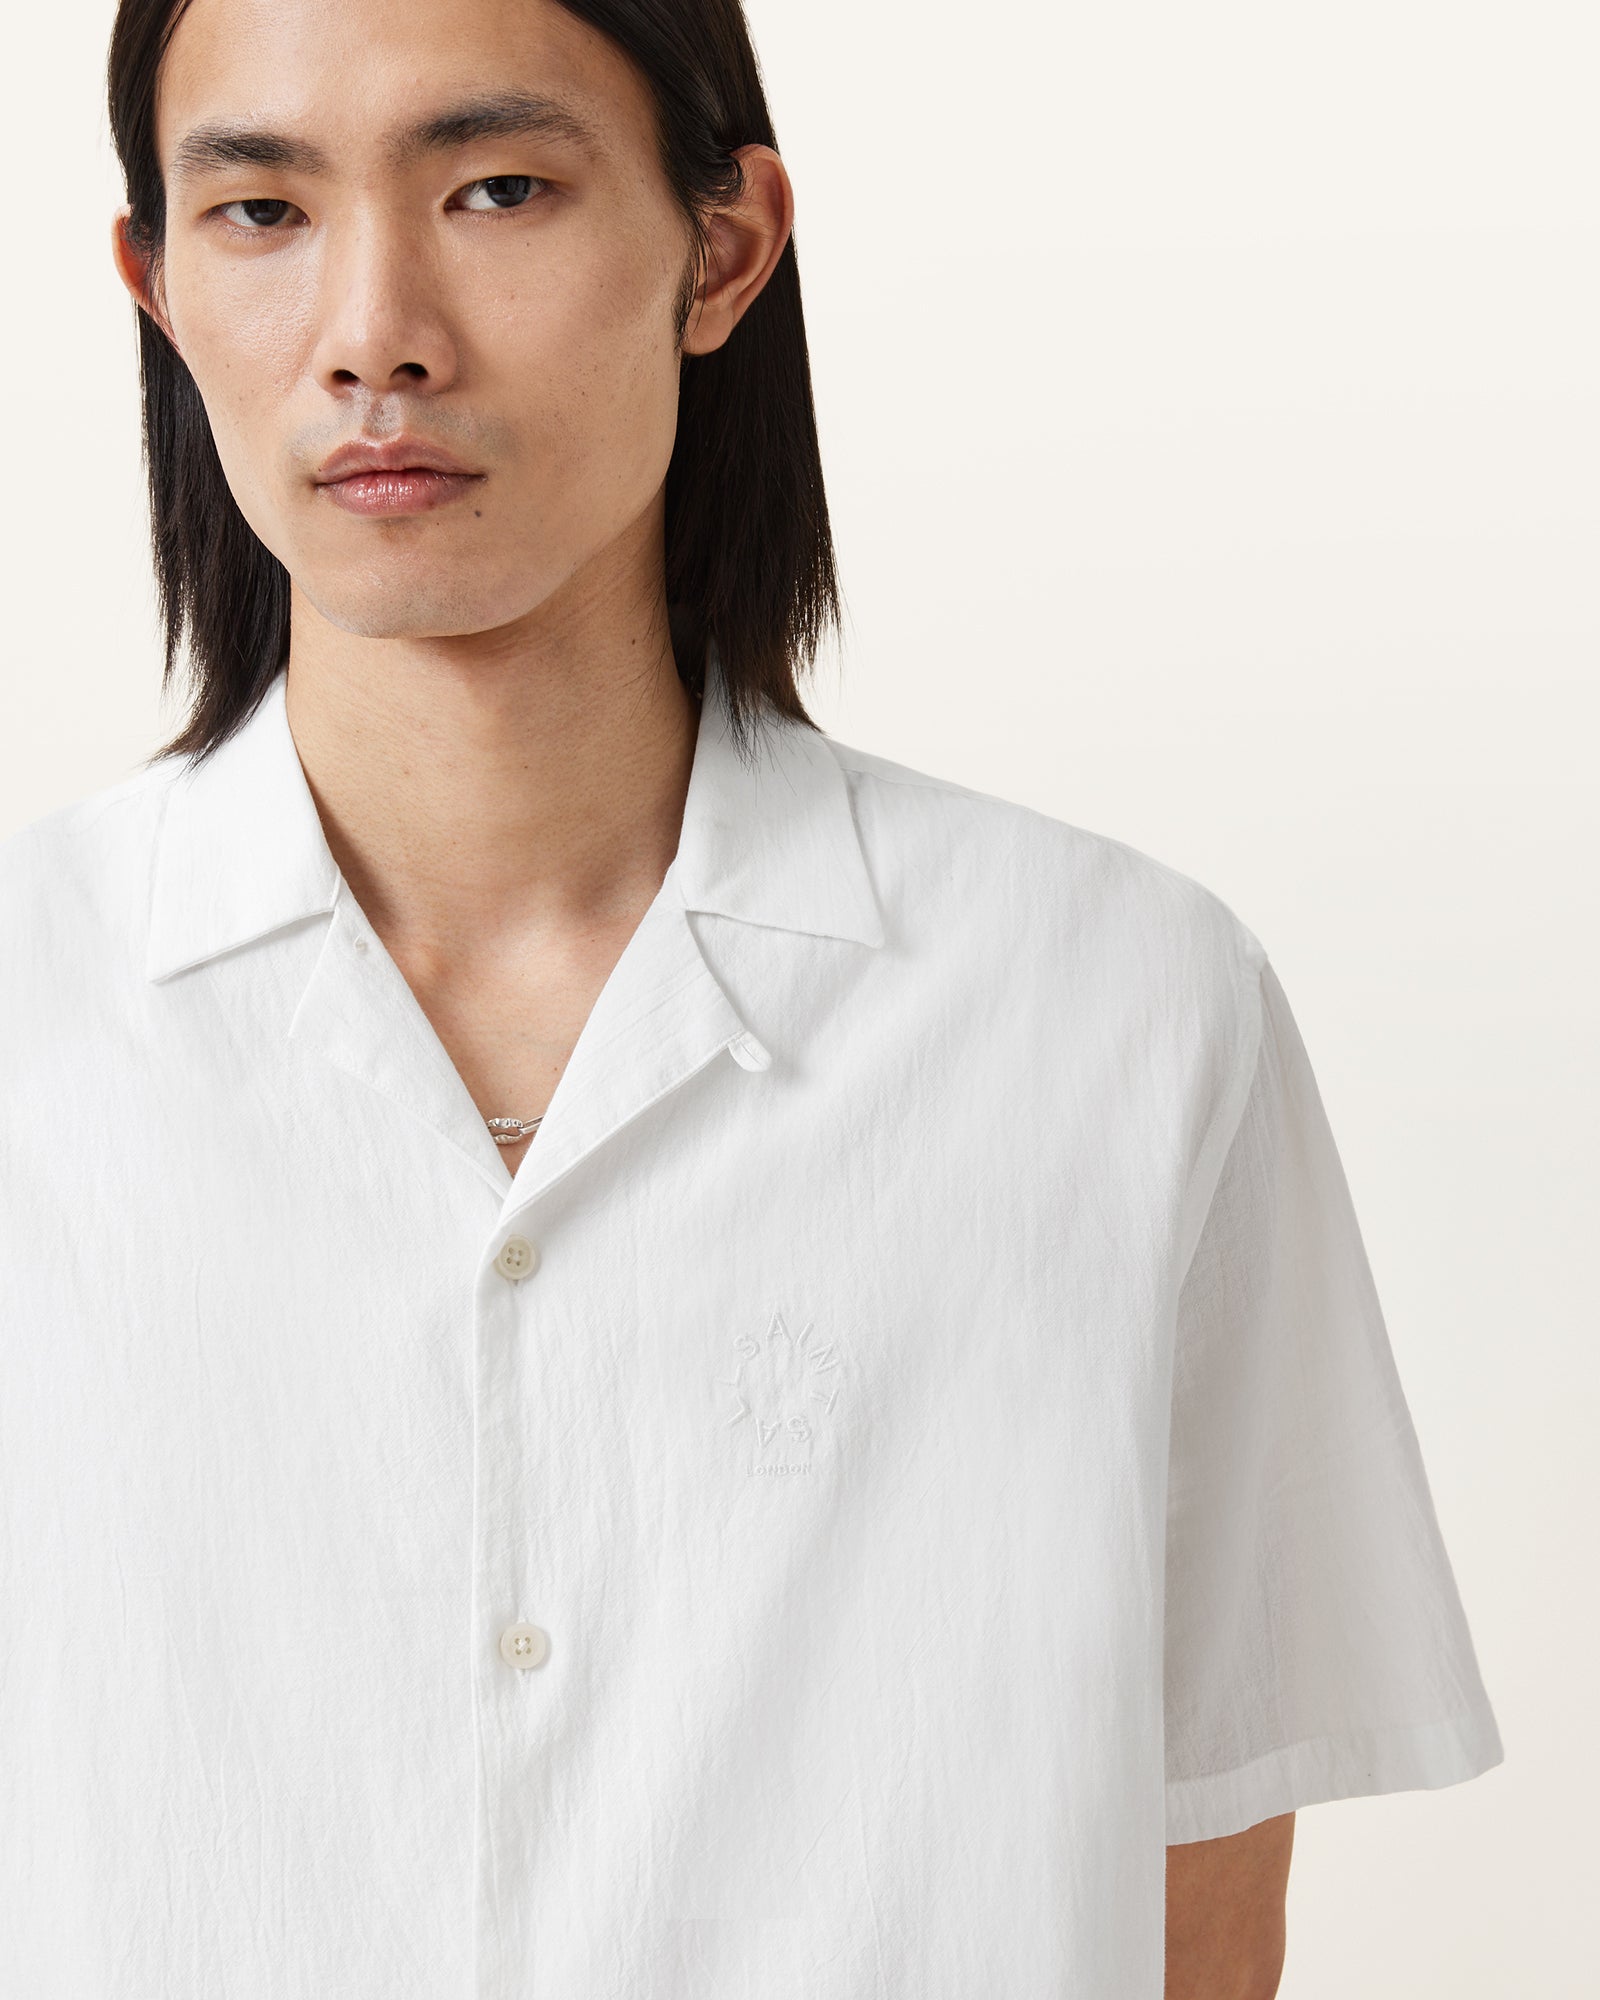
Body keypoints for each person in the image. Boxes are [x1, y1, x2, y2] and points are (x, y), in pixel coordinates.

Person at [0, 0, 1503, 1993]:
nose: (376, 332)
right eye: (262, 210)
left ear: (720, 251)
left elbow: (1197, 1916)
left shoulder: (1114, 1012)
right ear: (156, 287)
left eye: (497, 188)